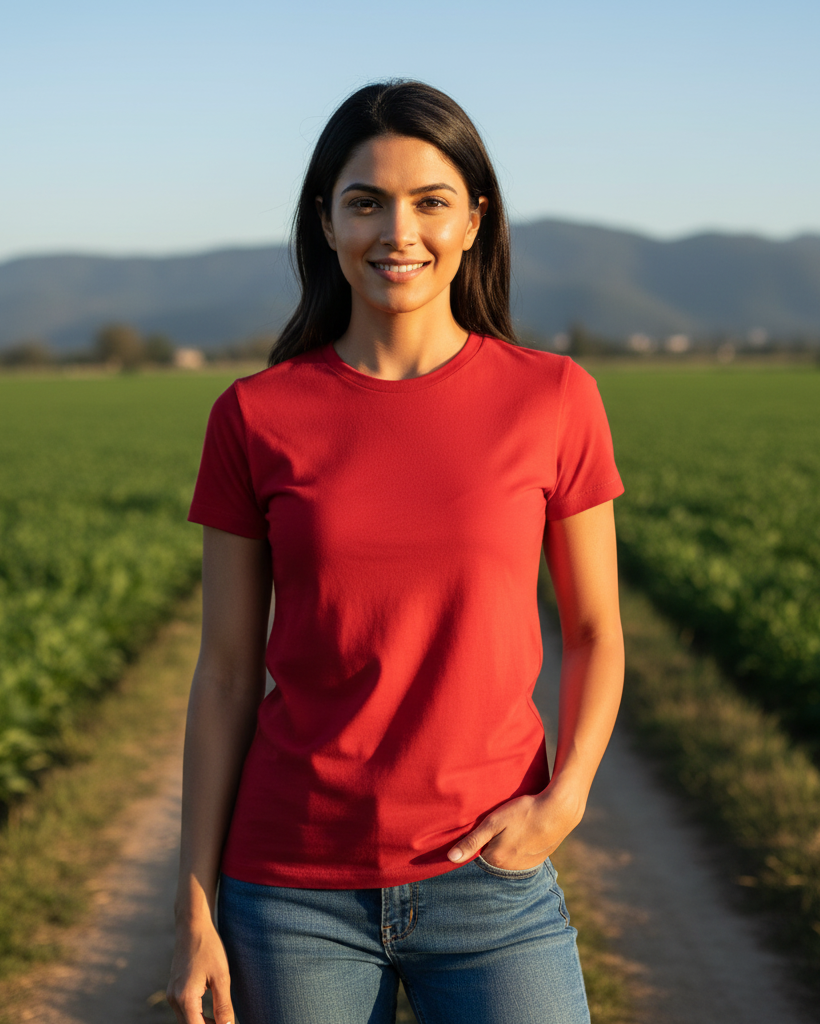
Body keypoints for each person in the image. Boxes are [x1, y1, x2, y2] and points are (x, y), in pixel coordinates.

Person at [167, 80, 624, 1024]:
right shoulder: (255, 417)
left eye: (430, 201)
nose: (397, 232)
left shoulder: (554, 399)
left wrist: (566, 797)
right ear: (327, 222)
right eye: (365, 201)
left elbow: (592, 630)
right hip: (293, 891)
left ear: (474, 221)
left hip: (491, 877)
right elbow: (221, 677)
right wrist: (196, 903)